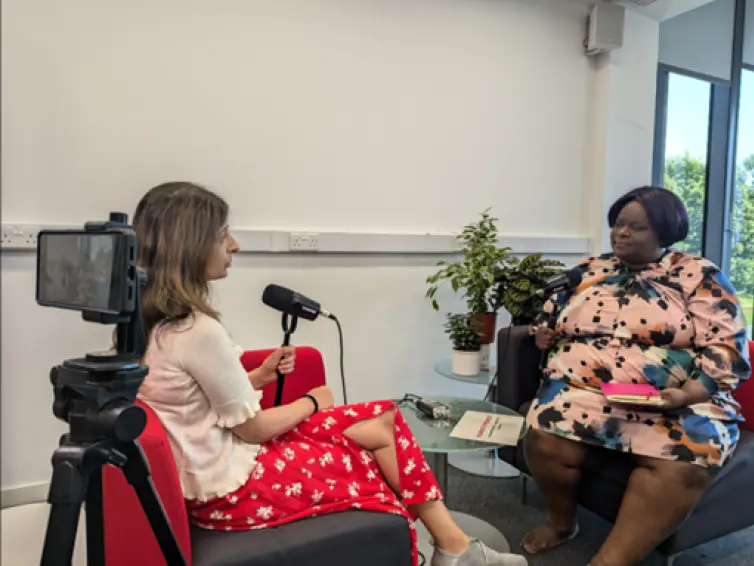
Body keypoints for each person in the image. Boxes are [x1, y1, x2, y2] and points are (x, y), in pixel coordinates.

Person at [133, 181, 528, 566]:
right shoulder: (196, 330)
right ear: (191, 245)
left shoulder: (157, 323)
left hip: (217, 468)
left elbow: (194, 402)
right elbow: (252, 429)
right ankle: (455, 548)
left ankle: (454, 546)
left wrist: (255, 378)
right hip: (232, 488)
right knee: (374, 454)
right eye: (223, 236)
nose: (233, 245)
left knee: (386, 418)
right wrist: (311, 402)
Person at [521, 186, 751, 566]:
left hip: (675, 401)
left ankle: (611, 561)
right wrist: (543, 332)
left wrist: (690, 393)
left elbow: (728, 348)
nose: (621, 233)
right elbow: (552, 315)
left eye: (635, 227)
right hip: (587, 395)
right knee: (543, 435)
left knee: (683, 462)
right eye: (617, 225)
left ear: (664, 232)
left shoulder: (700, 276)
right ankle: (561, 523)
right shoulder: (591, 271)